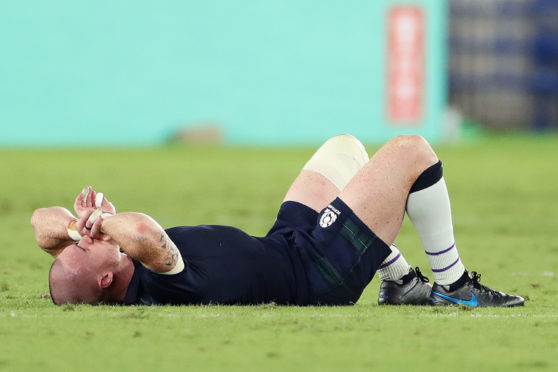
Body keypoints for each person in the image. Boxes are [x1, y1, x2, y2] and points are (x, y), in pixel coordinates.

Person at [31, 134, 524, 307]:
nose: (77, 239)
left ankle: (397, 281)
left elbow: (39, 224)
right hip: (313, 272)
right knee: (412, 152)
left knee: (345, 147)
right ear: (104, 276)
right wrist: (107, 221)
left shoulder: (98, 267)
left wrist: (79, 230)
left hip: (287, 242)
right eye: (81, 247)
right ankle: (453, 285)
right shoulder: (158, 280)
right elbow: (144, 233)